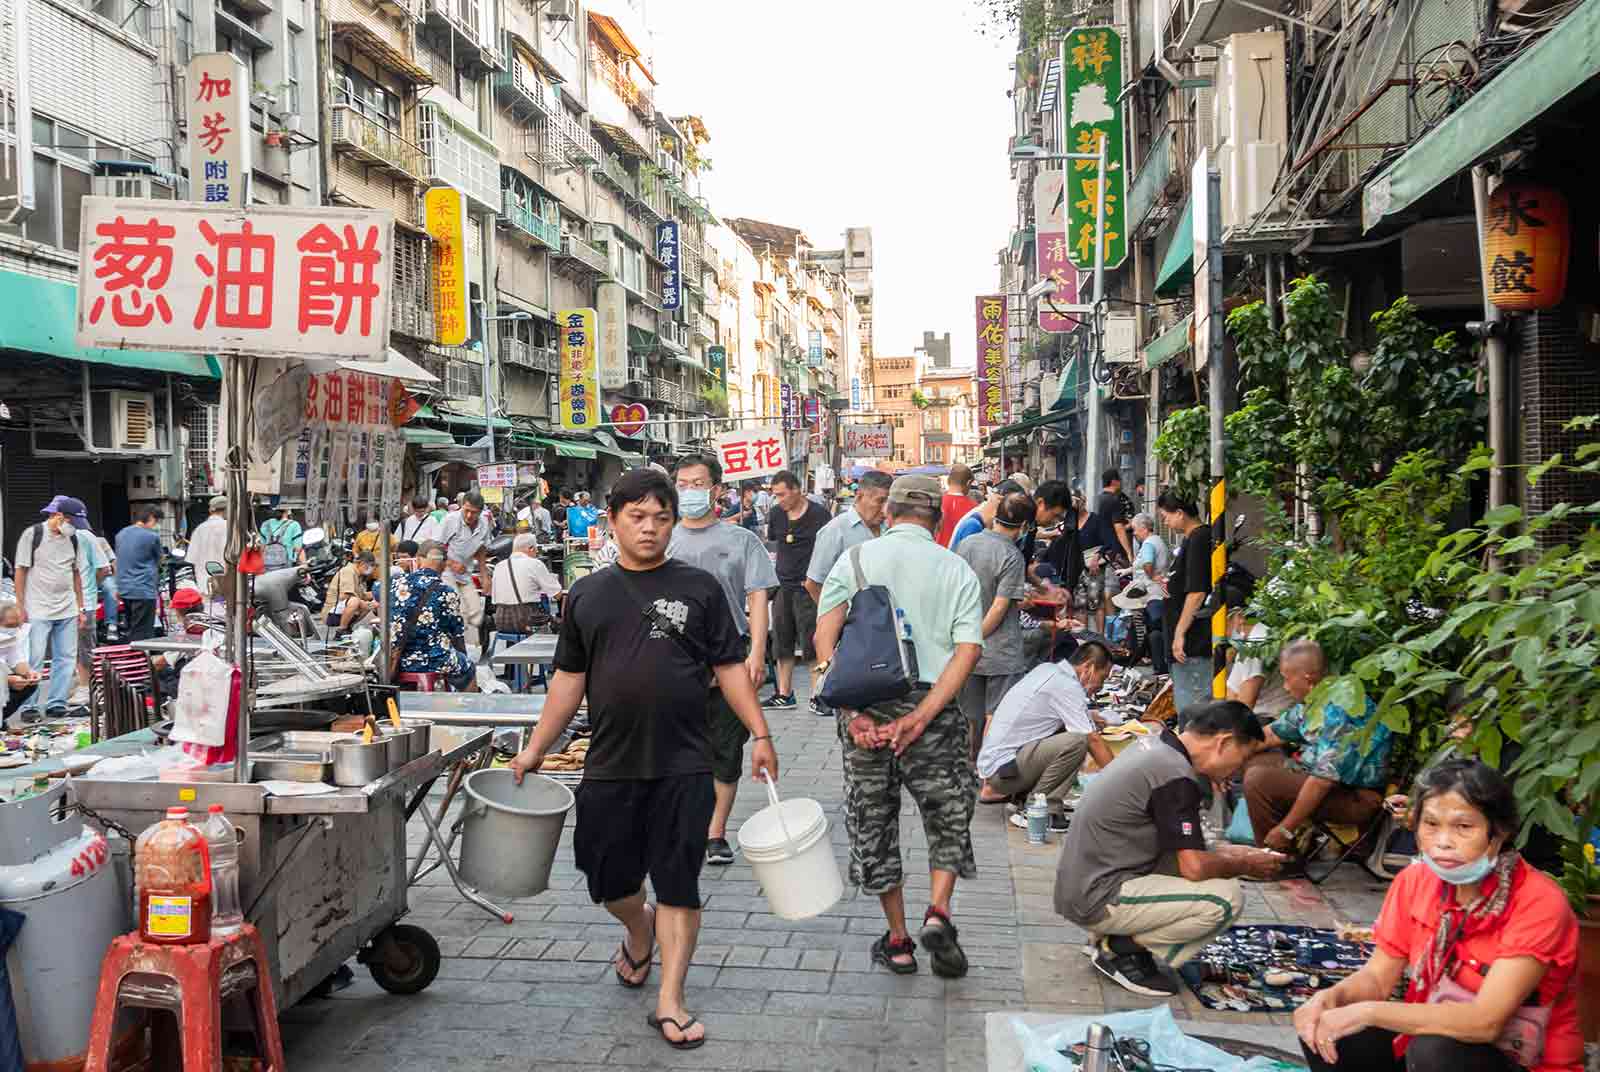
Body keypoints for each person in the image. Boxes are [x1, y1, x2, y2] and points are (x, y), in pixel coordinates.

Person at [508, 468, 777, 1051]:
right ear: (613, 521)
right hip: (610, 763)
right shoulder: (587, 595)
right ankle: (639, 928)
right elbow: (568, 681)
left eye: (661, 517)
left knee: (679, 882)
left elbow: (730, 668)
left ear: (674, 522)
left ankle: (671, 1000)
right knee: (608, 880)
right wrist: (534, 749)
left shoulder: (699, 590)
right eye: (637, 517)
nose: (650, 528)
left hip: (685, 761)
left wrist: (760, 732)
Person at [1293, 760, 1581, 1072]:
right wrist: (1331, 998)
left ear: (1498, 834)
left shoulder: (1538, 902)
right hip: (1432, 1049)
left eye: (1464, 827)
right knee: (1325, 1028)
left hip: (1520, 1061)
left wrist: (1368, 1012)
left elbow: (1485, 1022)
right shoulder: (1415, 882)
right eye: (1431, 825)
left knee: (1434, 1051)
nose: (1443, 842)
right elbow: (1377, 978)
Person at [814, 474, 984, 978]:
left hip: (865, 706)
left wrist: (852, 713)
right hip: (932, 706)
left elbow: (824, 638)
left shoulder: (857, 560)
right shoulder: (956, 569)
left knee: (874, 822)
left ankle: (899, 939)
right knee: (947, 814)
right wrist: (922, 715)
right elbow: (968, 650)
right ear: (937, 517)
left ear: (888, 513)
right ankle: (938, 910)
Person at [1055, 700, 1282, 996]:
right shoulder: (1175, 774)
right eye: (1242, 757)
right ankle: (1119, 949)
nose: (1238, 769)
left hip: (1087, 881)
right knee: (1226, 899)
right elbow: (1195, 866)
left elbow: (1189, 847)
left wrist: (1233, 854)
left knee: (1215, 866)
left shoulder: (1157, 746)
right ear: (1223, 742)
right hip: (1097, 894)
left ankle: (1113, 935)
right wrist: (1247, 865)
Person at [665, 454, 779, 867]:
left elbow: (759, 597)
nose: (690, 491)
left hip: (731, 655)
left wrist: (757, 653)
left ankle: (715, 833)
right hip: (676, 661)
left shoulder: (741, 541)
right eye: (683, 483)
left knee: (725, 750)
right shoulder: (664, 539)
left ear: (716, 489)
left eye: (698, 483)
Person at [1245, 638, 1393, 860]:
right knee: (1255, 761)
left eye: (1286, 679)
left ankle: (1276, 860)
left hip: (1357, 799)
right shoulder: (1313, 701)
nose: (1285, 686)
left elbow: (1323, 780)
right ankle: (1280, 853)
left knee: (1259, 778)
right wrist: (1228, 760)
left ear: (1307, 677)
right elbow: (1272, 734)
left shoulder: (1340, 709)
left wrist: (1286, 828)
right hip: (1323, 783)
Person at [976, 640, 1118, 827]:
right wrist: (1121, 780)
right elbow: (1092, 740)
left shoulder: (1048, 670)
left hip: (999, 768)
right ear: (1088, 668)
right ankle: (1039, 809)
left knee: (1073, 732)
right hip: (1003, 773)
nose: (1101, 685)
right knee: (1078, 741)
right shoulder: (1067, 685)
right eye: (1103, 677)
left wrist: (1088, 716)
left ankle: (1030, 797)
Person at [955, 489, 1033, 760]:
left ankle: (968, 765)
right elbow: (999, 607)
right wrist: (977, 637)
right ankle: (989, 771)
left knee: (970, 715)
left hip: (965, 648)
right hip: (1000, 651)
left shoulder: (968, 544)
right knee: (997, 717)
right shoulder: (1012, 555)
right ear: (1024, 526)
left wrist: (966, 640)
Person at [14, 496, 92, 719]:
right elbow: (20, 571)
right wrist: (21, 606)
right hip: (37, 608)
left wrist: (80, 607)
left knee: (66, 658)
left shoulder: (74, 539)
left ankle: (56, 703)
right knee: (34, 658)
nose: (73, 528)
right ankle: (28, 706)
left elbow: (76, 574)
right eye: (71, 523)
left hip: (67, 608)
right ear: (58, 517)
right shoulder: (33, 535)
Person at [765, 470, 831, 709]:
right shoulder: (776, 515)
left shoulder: (819, 515)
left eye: (782, 494)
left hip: (809, 586)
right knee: (782, 641)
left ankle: (817, 695)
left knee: (812, 642)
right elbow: (772, 544)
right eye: (776, 495)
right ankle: (784, 693)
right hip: (783, 585)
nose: (779, 500)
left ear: (796, 489)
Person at [389, 544, 475, 691]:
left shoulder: (395, 585)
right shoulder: (446, 592)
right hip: (435, 659)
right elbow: (456, 634)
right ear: (443, 565)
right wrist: (463, 657)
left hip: (397, 659)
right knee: (468, 667)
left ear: (419, 560)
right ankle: (471, 709)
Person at [1157, 492, 1213, 714]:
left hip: (1194, 639)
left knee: (1193, 708)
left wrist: (1180, 633)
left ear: (1180, 513)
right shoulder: (1192, 539)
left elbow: (1197, 591)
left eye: (1166, 516)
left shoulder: (1199, 539)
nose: (1165, 522)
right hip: (1186, 636)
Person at [1223, 578, 1295, 720]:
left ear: (1239, 616)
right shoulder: (1247, 642)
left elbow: (1244, 705)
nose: (1218, 632)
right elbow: (1231, 691)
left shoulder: (1257, 644)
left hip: (1272, 718)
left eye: (1221, 623)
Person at [436, 491, 493, 633]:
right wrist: (452, 563)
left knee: (476, 615)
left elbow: (481, 550)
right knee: (457, 610)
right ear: (462, 506)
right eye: (466, 511)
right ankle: (457, 645)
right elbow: (435, 547)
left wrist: (484, 576)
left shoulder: (484, 523)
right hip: (446, 572)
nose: (469, 516)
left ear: (480, 512)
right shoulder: (450, 520)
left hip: (465, 573)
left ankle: (468, 645)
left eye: (473, 513)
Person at [491, 533, 563, 634]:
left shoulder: (498, 566)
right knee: (563, 625)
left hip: (501, 622)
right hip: (526, 621)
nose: (537, 552)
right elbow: (557, 595)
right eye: (536, 549)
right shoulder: (535, 564)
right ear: (531, 548)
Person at [115, 507, 165, 642]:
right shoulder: (151, 536)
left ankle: (133, 657)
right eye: (156, 521)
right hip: (143, 590)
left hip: (125, 589)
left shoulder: (121, 534)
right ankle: (141, 660)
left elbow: (119, 561)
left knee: (132, 627)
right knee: (143, 632)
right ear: (151, 518)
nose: (156, 525)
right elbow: (160, 559)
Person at [1129, 513, 1171, 673]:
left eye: (1135, 529)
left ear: (1143, 528)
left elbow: (1147, 564)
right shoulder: (1158, 541)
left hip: (1151, 593)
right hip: (1159, 592)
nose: (1134, 533)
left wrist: (1152, 575)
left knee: (1154, 630)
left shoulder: (1147, 544)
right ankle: (1160, 664)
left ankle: (1158, 666)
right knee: (1158, 629)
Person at [0, 602, 40, 728]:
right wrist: (8, 680)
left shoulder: (11, 637)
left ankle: (2, 718)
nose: (14, 629)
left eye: (18, 625)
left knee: (28, 685)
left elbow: (18, 662)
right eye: (10, 625)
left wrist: (30, 674)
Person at [322, 551, 379, 635]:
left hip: (342, 608)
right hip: (331, 612)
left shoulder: (360, 576)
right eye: (371, 566)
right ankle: (341, 630)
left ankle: (348, 628)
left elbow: (363, 595)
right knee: (355, 601)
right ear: (362, 564)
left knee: (371, 605)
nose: (372, 569)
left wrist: (379, 592)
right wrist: (363, 603)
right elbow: (346, 595)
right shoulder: (348, 571)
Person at [187, 496, 229, 595]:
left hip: (203, 586)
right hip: (225, 584)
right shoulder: (228, 527)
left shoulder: (199, 529)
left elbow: (192, 559)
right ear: (227, 510)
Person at [1096, 470, 1136, 566]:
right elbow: (1119, 529)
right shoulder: (1114, 500)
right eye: (1120, 480)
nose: (1121, 483)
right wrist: (1129, 552)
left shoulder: (1100, 499)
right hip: (1117, 551)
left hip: (1106, 550)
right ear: (1114, 481)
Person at [935, 463, 979, 547]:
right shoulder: (975, 509)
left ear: (948, 481)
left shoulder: (936, 503)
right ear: (968, 483)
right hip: (961, 555)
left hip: (937, 552)